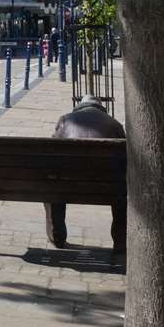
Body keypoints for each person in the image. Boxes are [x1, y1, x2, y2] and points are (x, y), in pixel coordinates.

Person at [46, 96, 126, 254]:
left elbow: (52, 149)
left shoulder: (65, 120)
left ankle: (57, 236)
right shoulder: (114, 124)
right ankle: (120, 241)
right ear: (101, 108)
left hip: (70, 185)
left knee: (53, 188)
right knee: (122, 193)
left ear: (79, 107)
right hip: (107, 188)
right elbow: (124, 158)